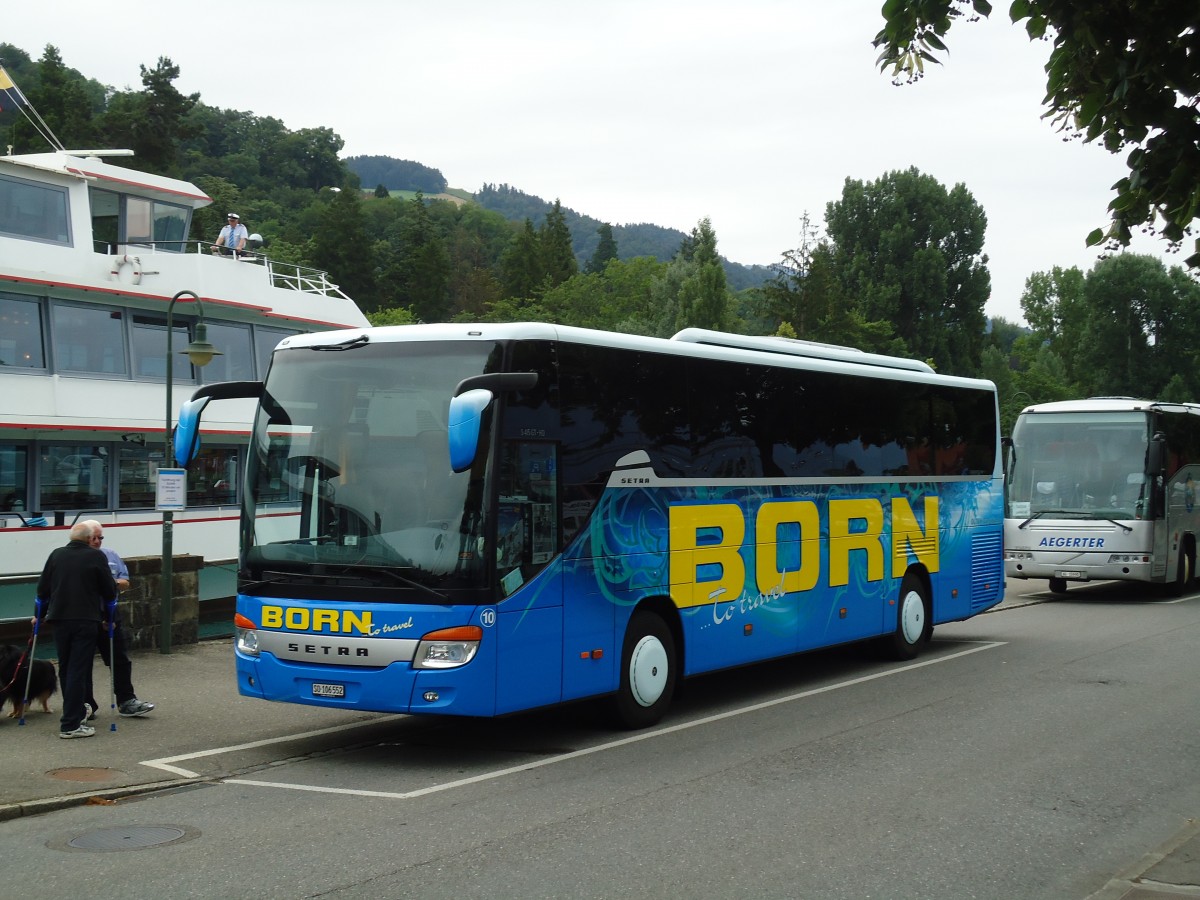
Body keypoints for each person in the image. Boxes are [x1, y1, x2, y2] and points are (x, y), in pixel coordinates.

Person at [34, 520, 115, 739]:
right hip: (85, 619)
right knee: (78, 670)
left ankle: (75, 713)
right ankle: (70, 724)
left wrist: (38, 616)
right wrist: (109, 618)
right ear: (90, 539)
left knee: (67, 667)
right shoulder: (96, 556)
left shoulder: (56, 554)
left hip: (59, 619)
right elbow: (109, 592)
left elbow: (42, 591)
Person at [81, 522, 155, 720]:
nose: (97, 541)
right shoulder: (77, 558)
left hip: (111, 614)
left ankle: (126, 700)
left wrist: (110, 582)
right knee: (83, 663)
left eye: (100, 538)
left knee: (119, 659)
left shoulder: (111, 555)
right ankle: (86, 704)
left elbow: (125, 582)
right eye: (93, 538)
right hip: (86, 617)